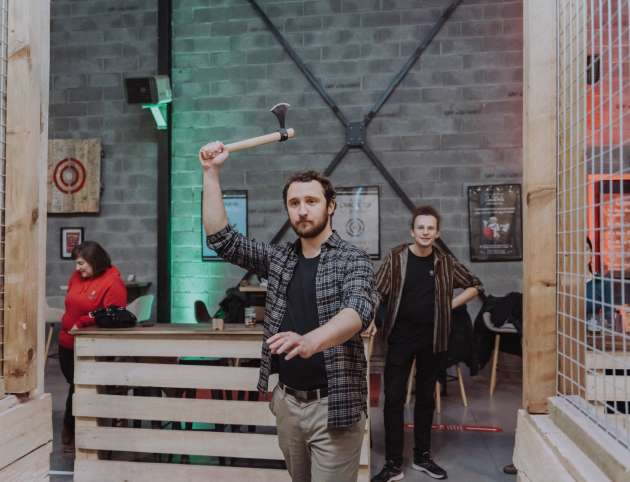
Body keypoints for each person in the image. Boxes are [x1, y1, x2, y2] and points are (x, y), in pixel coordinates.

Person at [199, 141, 376, 482]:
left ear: (331, 206)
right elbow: (222, 239)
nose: (302, 210)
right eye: (294, 203)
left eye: (311, 201)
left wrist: (311, 341)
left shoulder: (352, 259)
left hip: (335, 403)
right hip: (288, 403)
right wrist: (211, 173)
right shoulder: (280, 259)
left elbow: (357, 311)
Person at [370, 206, 482, 481]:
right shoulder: (397, 258)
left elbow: (475, 285)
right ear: (412, 231)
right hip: (400, 338)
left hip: (433, 338)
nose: (425, 232)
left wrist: (449, 305)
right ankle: (393, 464)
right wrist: (370, 319)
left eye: (430, 228)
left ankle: (422, 457)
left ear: (437, 233)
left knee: (425, 398)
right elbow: (375, 291)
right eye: (420, 227)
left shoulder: (444, 262)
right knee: (394, 398)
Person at [58, 241, 127, 450]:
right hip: (66, 342)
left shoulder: (113, 282)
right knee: (75, 384)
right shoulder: (76, 277)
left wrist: (83, 322)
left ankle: (74, 429)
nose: (77, 268)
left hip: (91, 345)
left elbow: (113, 314)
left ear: (94, 261)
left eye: (81, 263)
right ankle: (75, 428)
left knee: (80, 386)